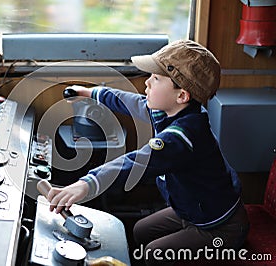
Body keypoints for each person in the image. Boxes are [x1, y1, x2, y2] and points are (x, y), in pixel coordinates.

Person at [45, 40, 250, 265]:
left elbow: (137, 162)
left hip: (219, 227)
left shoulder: (183, 136)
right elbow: (128, 101)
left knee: (154, 253)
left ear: (181, 95)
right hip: (192, 211)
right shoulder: (169, 110)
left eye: (156, 79)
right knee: (140, 231)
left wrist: (88, 183)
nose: (147, 83)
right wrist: (88, 92)